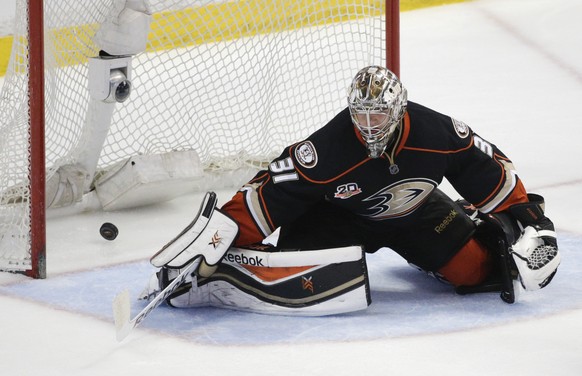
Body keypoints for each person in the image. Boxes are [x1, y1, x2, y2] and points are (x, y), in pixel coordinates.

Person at [142, 66, 560, 315]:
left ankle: (462, 221)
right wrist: (217, 240)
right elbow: (270, 194)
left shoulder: (436, 132)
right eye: (361, 115)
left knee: (477, 272)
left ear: (399, 110)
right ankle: (225, 273)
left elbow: (484, 166)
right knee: (312, 287)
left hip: (413, 210)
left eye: (378, 116)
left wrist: (526, 218)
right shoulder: (326, 149)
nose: (368, 126)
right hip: (336, 219)